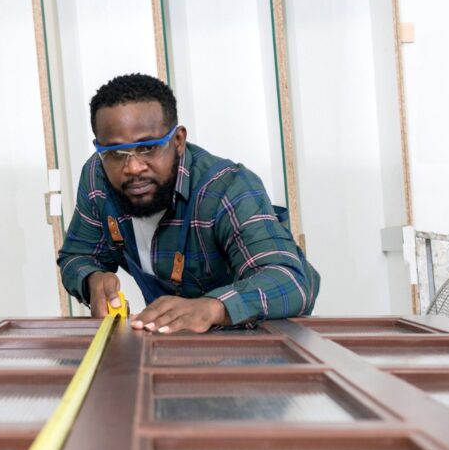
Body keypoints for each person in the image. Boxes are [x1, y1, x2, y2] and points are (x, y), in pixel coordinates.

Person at [58, 73, 319, 333]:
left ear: (178, 140)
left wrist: (211, 307)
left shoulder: (227, 188)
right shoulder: (97, 178)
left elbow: (290, 280)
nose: (133, 167)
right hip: (174, 342)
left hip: (253, 342)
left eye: (148, 147)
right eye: (115, 152)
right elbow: (78, 255)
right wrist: (91, 279)